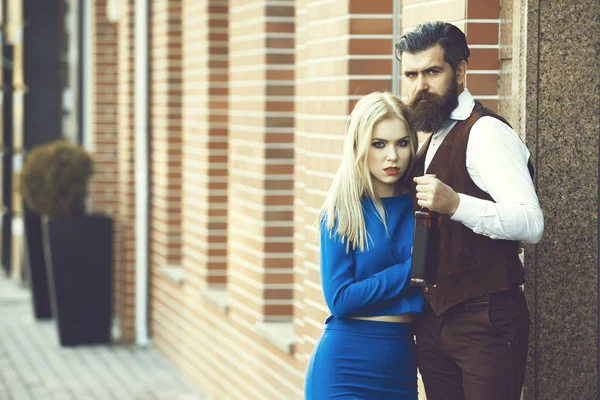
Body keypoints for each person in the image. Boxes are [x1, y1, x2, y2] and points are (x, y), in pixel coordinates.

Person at [394, 21, 544, 400]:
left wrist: (457, 204)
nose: (419, 86)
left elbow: (531, 223)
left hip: (485, 319)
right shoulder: (432, 134)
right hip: (433, 321)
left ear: (460, 71)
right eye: (410, 75)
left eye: (432, 71)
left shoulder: (486, 133)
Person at [304, 92, 424, 399]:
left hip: (400, 364)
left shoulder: (422, 206)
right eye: (379, 144)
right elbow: (341, 299)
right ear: (360, 146)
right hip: (344, 368)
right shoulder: (341, 211)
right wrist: (413, 269)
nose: (392, 156)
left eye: (402, 142)